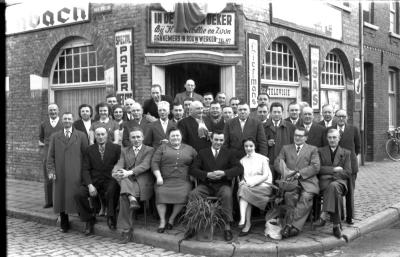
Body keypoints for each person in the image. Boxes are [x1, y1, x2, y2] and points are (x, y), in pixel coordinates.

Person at [186, 131, 244, 241]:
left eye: (221, 140)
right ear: (211, 139)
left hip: (222, 185)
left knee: (227, 195)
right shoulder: (203, 152)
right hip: (206, 185)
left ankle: (227, 227)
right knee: (193, 194)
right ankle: (193, 225)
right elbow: (193, 169)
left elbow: (239, 168)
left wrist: (224, 173)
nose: (218, 142)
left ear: (224, 140)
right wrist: (207, 174)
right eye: (216, 139)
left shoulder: (229, 153)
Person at [274, 127, 320, 238]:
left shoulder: (312, 149)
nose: (297, 138)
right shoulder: (286, 148)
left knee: (305, 197)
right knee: (289, 196)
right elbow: (277, 163)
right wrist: (286, 172)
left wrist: (299, 173)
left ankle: (290, 226)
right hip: (290, 182)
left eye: (300, 136)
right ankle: (294, 227)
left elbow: (316, 166)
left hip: (308, 182)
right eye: (296, 135)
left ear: (306, 138)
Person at [74, 127, 121, 235]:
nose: (100, 137)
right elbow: (85, 169)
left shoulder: (116, 148)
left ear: (107, 135)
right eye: (98, 135)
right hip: (93, 180)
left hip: (110, 179)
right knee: (79, 194)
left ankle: (111, 217)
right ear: (94, 136)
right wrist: (90, 185)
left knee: (112, 191)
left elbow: (120, 164)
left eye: (102, 134)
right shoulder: (89, 150)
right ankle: (89, 219)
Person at [47, 112, 89, 233]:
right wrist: (51, 171)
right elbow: (50, 157)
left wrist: (84, 173)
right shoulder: (55, 136)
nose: (67, 121)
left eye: (69, 119)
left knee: (78, 196)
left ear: (73, 120)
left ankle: (85, 221)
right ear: (62, 121)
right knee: (60, 198)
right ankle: (64, 224)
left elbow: (86, 156)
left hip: (76, 172)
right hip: (60, 173)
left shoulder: (81, 136)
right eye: (65, 119)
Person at [112, 127, 155, 244]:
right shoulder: (125, 150)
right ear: (130, 139)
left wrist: (128, 172)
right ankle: (127, 228)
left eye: (138, 137)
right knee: (124, 190)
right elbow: (120, 163)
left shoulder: (149, 150)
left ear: (143, 137)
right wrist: (115, 171)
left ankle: (126, 230)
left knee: (123, 194)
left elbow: (145, 165)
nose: (136, 139)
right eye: (133, 137)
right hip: (128, 180)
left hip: (142, 181)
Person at [151, 127, 197, 233]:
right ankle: (162, 221)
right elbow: (154, 162)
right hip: (164, 179)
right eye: (173, 136)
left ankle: (171, 219)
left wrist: (193, 174)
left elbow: (197, 162)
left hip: (183, 180)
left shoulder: (190, 149)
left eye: (177, 135)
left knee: (184, 194)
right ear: (169, 137)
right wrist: (158, 176)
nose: (175, 138)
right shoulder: (162, 148)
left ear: (181, 137)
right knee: (160, 192)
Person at [315, 128, 351, 238]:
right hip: (325, 183)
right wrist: (334, 170)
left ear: (339, 138)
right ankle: (336, 225)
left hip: (340, 183)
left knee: (334, 186)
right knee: (334, 191)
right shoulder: (320, 151)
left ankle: (324, 213)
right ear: (327, 138)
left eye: (334, 137)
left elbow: (348, 172)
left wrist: (333, 175)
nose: (332, 140)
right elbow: (318, 169)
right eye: (330, 137)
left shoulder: (346, 153)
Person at [329, 109, 361, 225]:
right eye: (339, 116)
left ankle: (350, 216)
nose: (341, 118)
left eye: (343, 116)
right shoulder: (331, 130)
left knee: (350, 192)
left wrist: (349, 160)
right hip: (336, 167)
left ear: (347, 117)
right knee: (338, 190)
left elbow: (357, 148)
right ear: (335, 117)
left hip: (351, 167)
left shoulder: (353, 129)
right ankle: (339, 215)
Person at [237, 137, 273, 237]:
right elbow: (244, 177)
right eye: (246, 146)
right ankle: (244, 221)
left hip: (263, 186)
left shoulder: (262, 158)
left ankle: (244, 221)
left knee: (244, 191)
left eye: (251, 146)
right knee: (243, 189)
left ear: (255, 146)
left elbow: (265, 176)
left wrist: (250, 183)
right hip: (249, 188)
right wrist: (243, 182)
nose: (248, 148)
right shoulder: (242, 161)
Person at [39, 103, 63, 208]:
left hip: (61, 153)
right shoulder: (43, 124)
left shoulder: (63, 123)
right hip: (48, 154)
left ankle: (61, 200)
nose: (53, 112)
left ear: (58, 111)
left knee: (61, 177)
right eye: (51, 110)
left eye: (54, 110)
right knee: (48, 177)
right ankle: (49, 201)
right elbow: (41, 138)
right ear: (48, 112)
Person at [263, 102, 295, 179]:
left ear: (282, 113)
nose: (277, 114)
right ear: (270, 112)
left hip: (285, 162)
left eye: (279, 112)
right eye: (274, 112)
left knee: (282, 185)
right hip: (269, 162)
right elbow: (259, 143)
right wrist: (267, 143)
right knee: (269, 185)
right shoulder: (263, 126)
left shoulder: (290, 127)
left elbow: (294, 144)